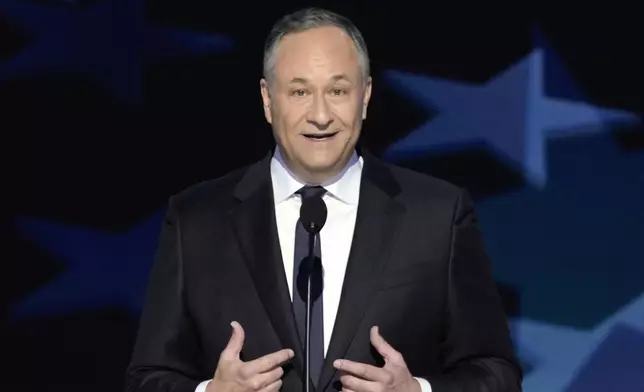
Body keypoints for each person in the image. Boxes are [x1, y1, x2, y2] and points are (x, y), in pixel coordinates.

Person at [125, 7, 522, 392]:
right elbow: (146, 378)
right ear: (267, 99)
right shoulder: (197, 219)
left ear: (365, 96)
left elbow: (497, 375)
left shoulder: (438, 215)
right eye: (299, 91)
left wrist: (417, 391)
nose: (320, 115)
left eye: (337, 90)